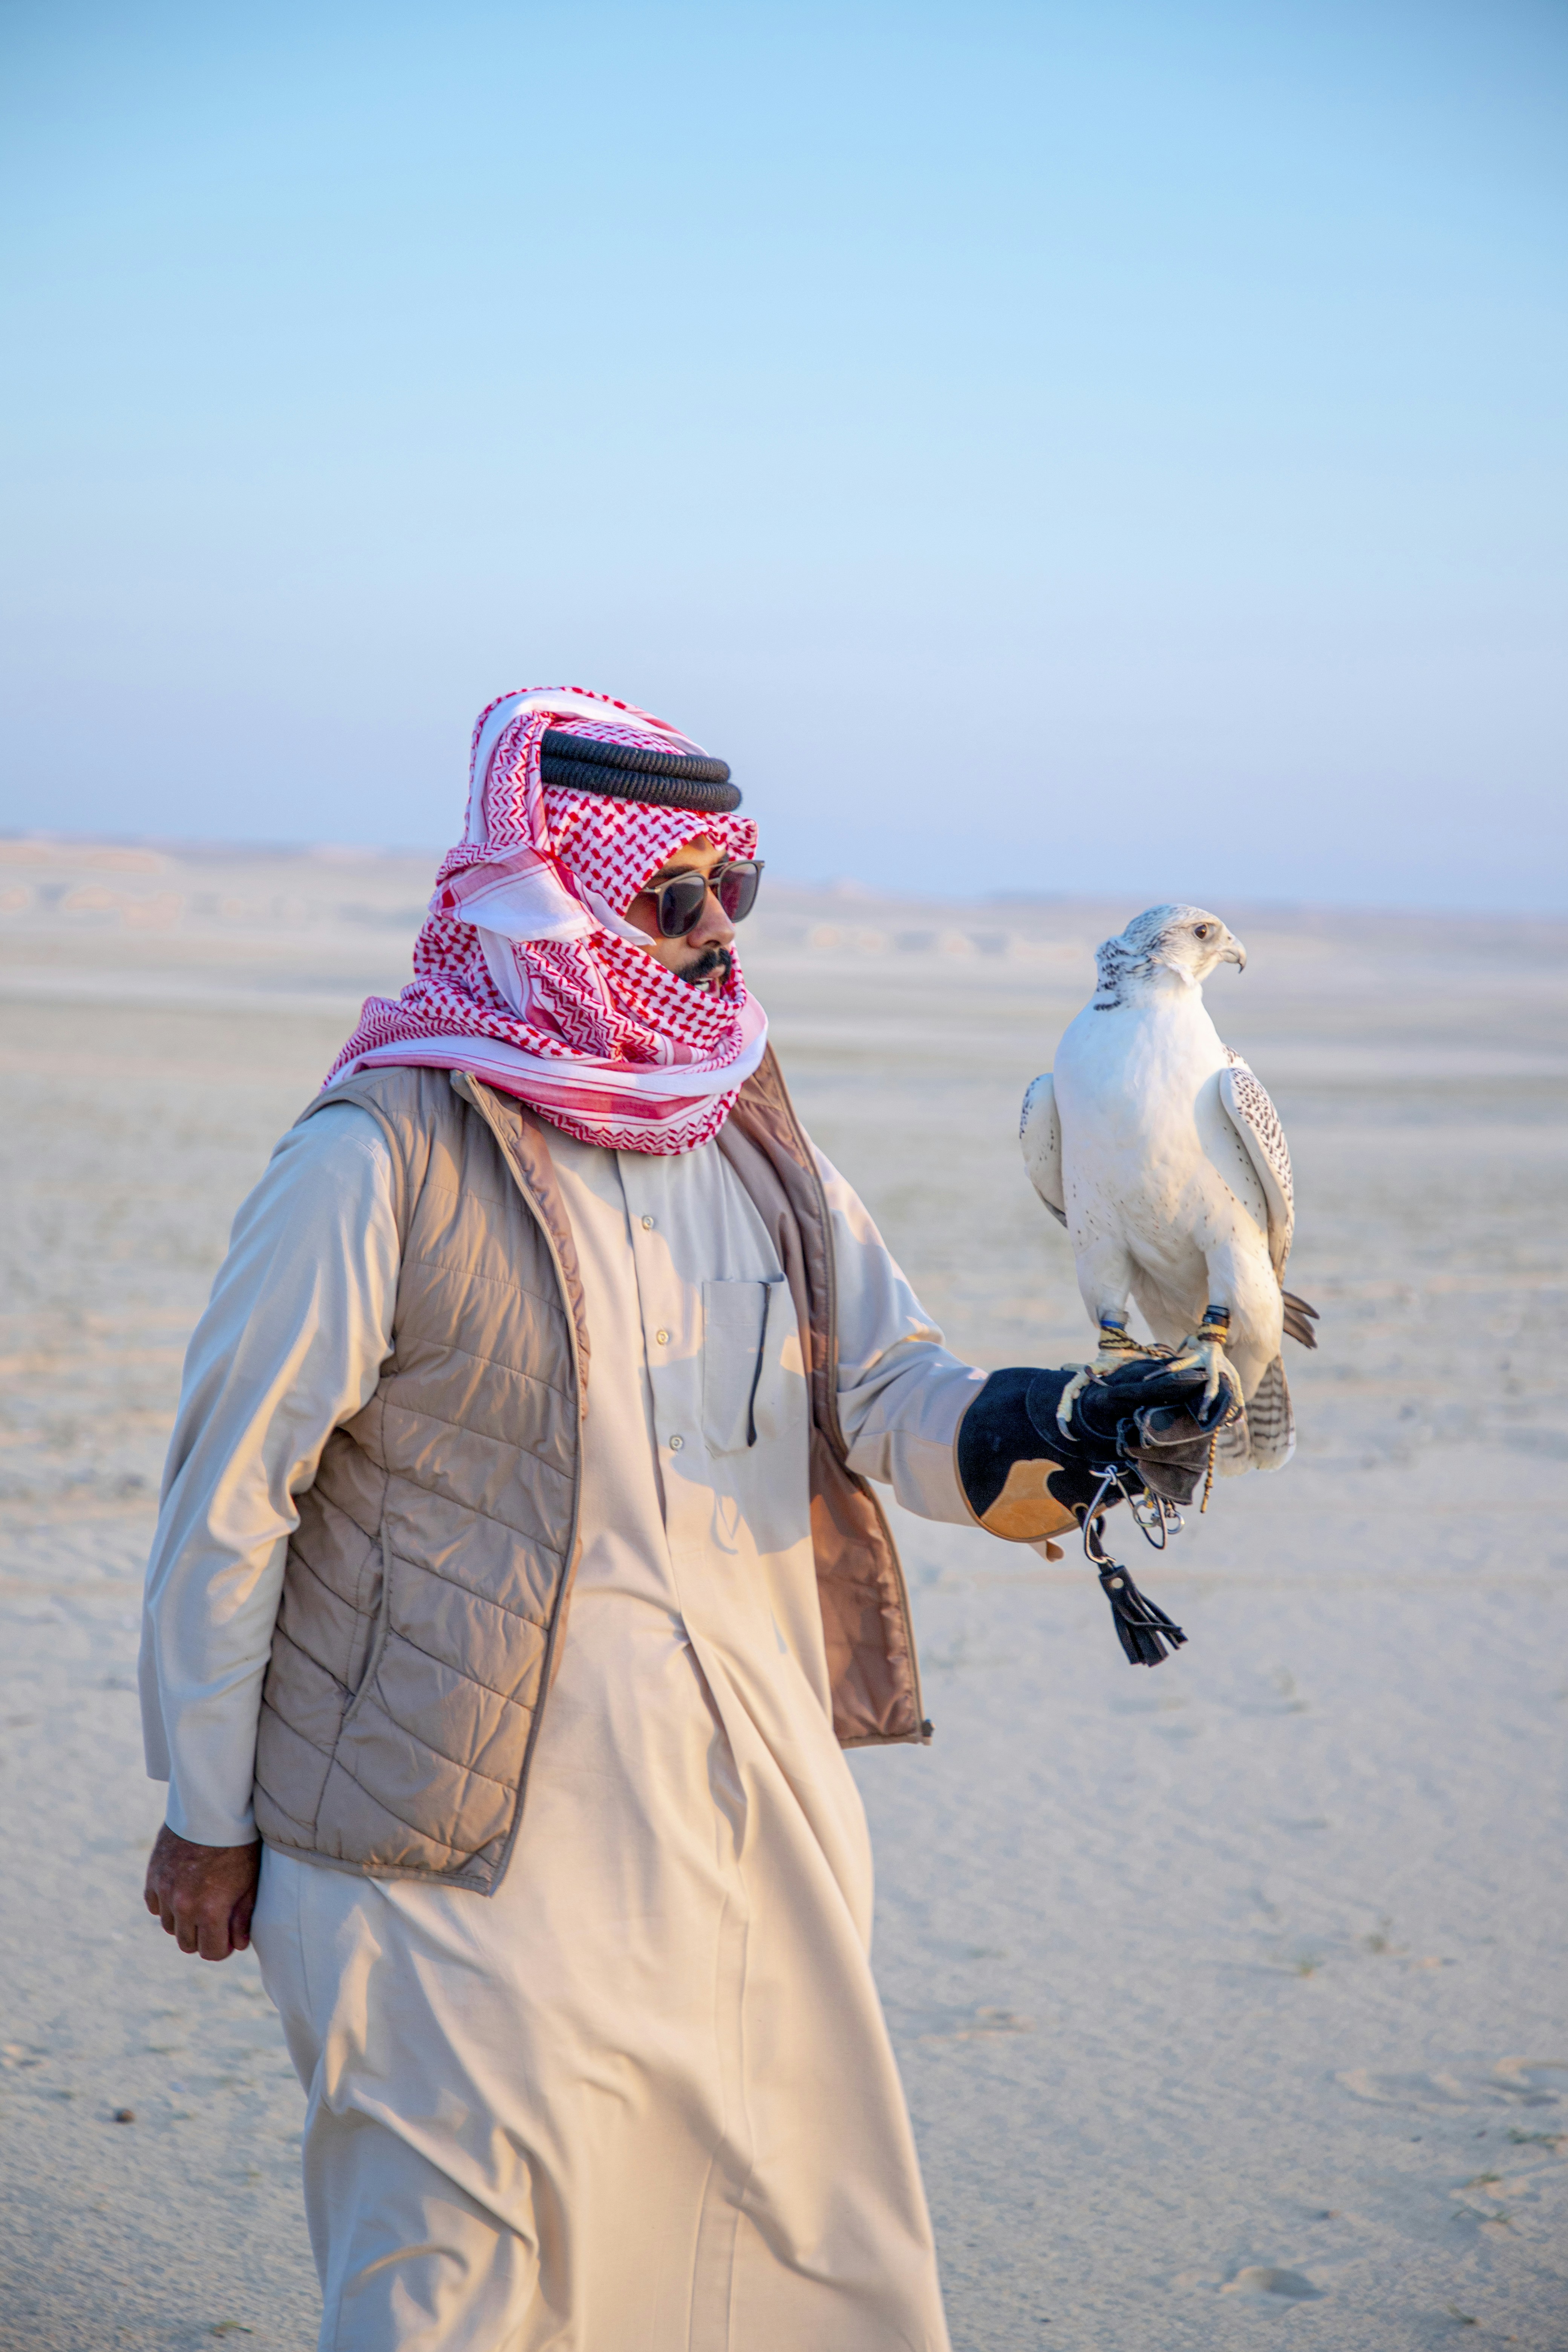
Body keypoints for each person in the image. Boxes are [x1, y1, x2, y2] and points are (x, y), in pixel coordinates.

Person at [139, 688, 1216, 2352]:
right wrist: (208, 1817)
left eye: (740, 890)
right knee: (458, 2298)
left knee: (792, 2282)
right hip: (447, 1865)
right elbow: (227, 1505)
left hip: (741, 1840)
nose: (716, 936)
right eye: (673, 894)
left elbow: (889, 1391)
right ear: (548, 894)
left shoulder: (750, 1140)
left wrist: (1050, 1425)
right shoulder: (376, 1158)